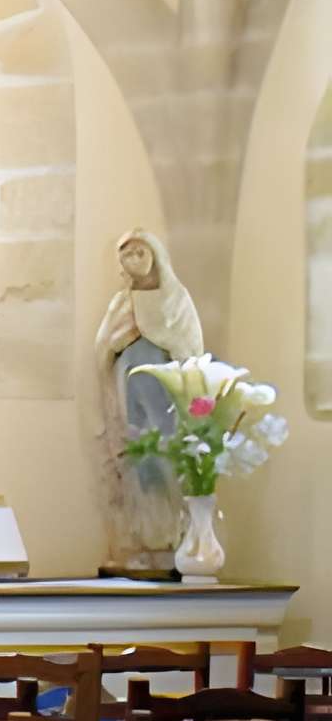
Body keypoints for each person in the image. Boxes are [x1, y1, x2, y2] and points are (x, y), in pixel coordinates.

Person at [94, 227, 204, 571]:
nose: (135, 260)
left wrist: (162, 338)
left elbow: (192, 349)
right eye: (128, 254)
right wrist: (121, 341)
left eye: (141, 252)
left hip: (166, 394)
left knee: (166, 457)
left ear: (156, 255)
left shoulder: (175, 298)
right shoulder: (122, 303)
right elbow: (103, 347)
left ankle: (172, 536)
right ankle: (139, 537)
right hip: (131, 390)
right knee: (137, 459)